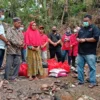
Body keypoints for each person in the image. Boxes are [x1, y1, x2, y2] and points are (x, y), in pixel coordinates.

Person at [77, 15, 100, 88]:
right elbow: (78, 36)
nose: (85, 22)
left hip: (90, 52)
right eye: (84, 21)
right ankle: (81, 80)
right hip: (81, 52)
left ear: (90, 21)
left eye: (86, 21)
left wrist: (85, 40)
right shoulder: (81, 29)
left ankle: (92, 82)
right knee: (80, 67)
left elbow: (96, 38)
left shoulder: (94, 28)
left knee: (92, 68)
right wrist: (78, 39)